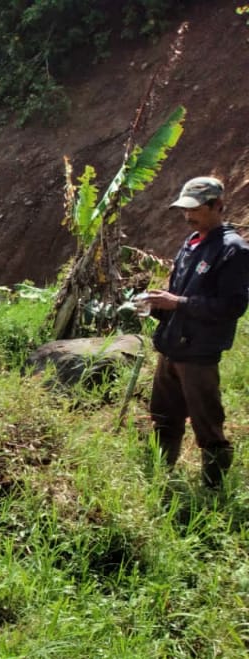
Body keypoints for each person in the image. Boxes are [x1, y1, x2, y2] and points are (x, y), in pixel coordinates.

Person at [143, 176, 249, 488]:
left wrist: (178, 303)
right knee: (163, 417)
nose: (188, 217)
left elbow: (232, 306)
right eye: (184, 211)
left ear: (218, 206)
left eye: (196, 210)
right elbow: (180, 294)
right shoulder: (191, 244)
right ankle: (162, 475)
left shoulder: (233, 250)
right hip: (171, 346)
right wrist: (157, 304)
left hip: (199, 354)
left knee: (207, 424)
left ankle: (213, 489)